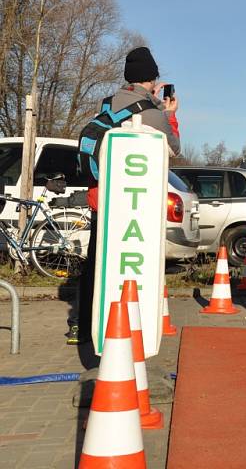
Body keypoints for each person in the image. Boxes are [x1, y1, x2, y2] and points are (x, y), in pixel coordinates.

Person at [70, 47, 181, 346]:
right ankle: (123, 322)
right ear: (153, 78)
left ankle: (80, 326)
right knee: (129, 260)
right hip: (132, 201)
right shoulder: (153, 114)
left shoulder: (107, 104)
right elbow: (173, 148)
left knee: (97, 260)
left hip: (99, 196)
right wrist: (169, 114)